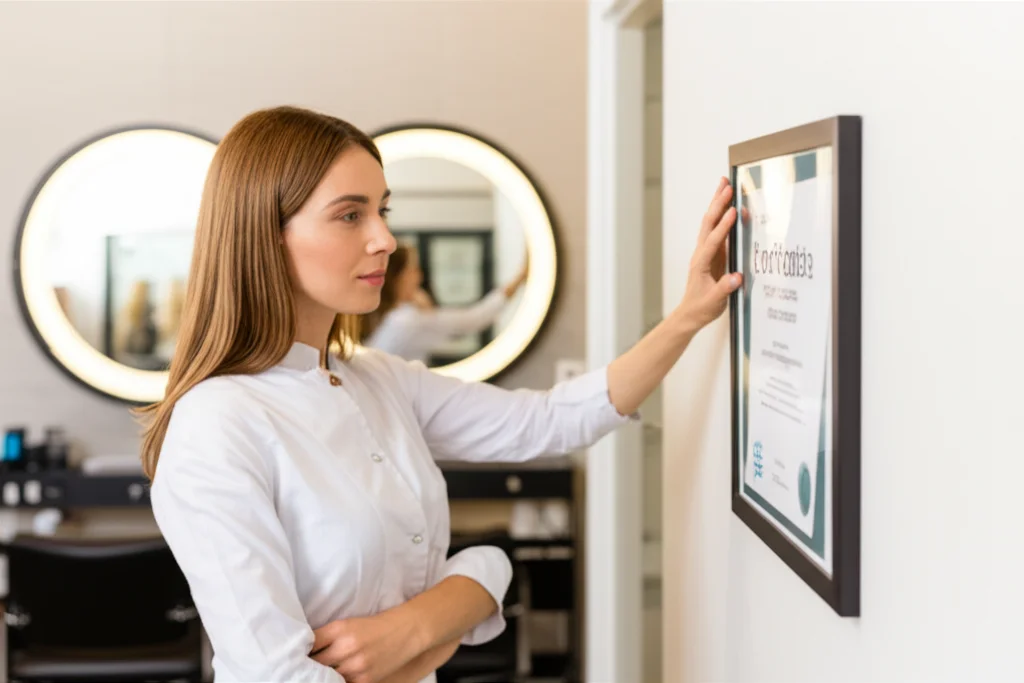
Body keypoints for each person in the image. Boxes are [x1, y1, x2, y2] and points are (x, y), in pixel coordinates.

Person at [136, 105, 741, 683]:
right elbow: (279, 674)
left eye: (382, 211)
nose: (385, 239)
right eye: (350, 215)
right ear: (265, 236)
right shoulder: (215, 424)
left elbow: (550, 421)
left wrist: (687, 317)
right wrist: (455, 609)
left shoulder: (379, 379)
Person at [360, 243, 527, 363]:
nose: (419, 276)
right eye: (413, 269)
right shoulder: (406, 320)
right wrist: (519, 278)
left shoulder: (387, 317)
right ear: (398, 277)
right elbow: (475, 319)